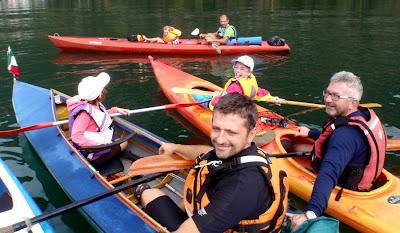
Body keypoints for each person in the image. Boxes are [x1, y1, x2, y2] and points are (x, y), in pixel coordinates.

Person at [134, 93, 289, 233]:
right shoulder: (244, 151)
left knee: (148, 193)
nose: (220, 139)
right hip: (223, 215)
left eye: (231, 132)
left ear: (251, 134)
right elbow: (208, 153)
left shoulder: (240, 188)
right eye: (216, 129)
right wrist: (175, 147)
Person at [287, 71, 386, 231]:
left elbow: (329, 173)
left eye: (336, 96)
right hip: (358, 170)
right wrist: (310, 133)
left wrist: (311, 213)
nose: (327, 99)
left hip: (345, 184)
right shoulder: (362, 115)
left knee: (290, 147)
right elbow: (334, 139)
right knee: (298, 145)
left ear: (353, 102)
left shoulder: (345, 136)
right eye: (327, 93)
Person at [67, 72, 130, 166]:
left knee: (121, 141)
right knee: (125, 143)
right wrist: (98, 143)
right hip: (94, 155)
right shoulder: (84, 114)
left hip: (101, 147)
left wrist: (116, 110)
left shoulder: (93, 105)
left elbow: (101, 116)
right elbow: (76, 136)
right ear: (100, 95)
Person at [208, 55, 282, 110]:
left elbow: (221, 103)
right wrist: (272, 98)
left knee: (200, 98)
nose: (237, 71)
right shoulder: (249, 80)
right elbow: (259, 92)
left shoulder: (235, 87)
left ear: (249, 72)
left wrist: (214, 98)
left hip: (232, 111)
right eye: (236, 67)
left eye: (242, 69)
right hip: (244, 109)